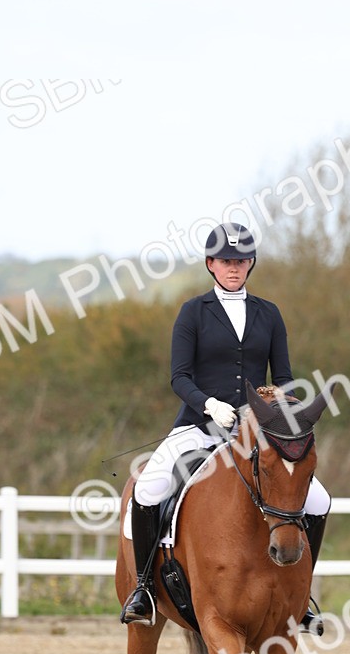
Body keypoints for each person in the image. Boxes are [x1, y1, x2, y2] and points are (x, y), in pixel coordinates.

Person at [120, 222, 331, 629]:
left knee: (318, 500)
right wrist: (209, 404)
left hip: (254, 432)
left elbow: (284, 376)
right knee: (146, 491)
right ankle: (144, 587)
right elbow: (179, 377)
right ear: (211, 264)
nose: (234, 267)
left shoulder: (268, 314)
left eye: (241, 261)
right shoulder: (193, 312)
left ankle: (300, 598)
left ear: (250, 264)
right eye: (226, 261)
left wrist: (281, 409)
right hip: (198, 427)